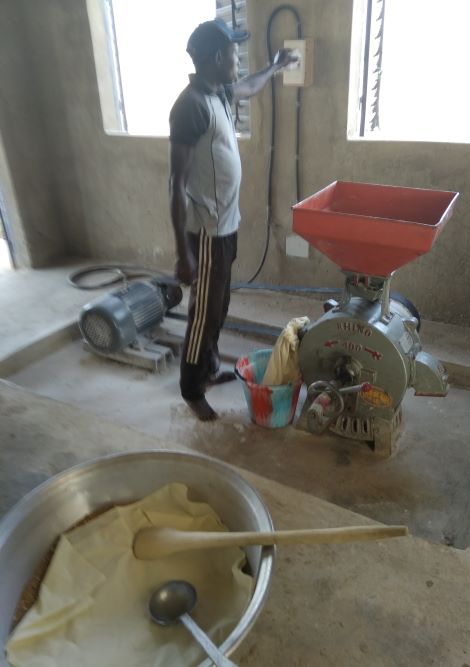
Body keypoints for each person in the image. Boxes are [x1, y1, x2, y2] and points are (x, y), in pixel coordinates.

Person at [169, 18, 297, 421]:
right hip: (207, 232)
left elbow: (249, 86)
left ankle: (208, 369)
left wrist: (275, 66)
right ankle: (192, 389)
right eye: (232, 54)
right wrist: (183, 254)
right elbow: (176, 184)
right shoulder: (190, 106)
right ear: (215, 58)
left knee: (219, 304)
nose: (237, 60)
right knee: (203, 313)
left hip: (226, 226)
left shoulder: (218, 93)